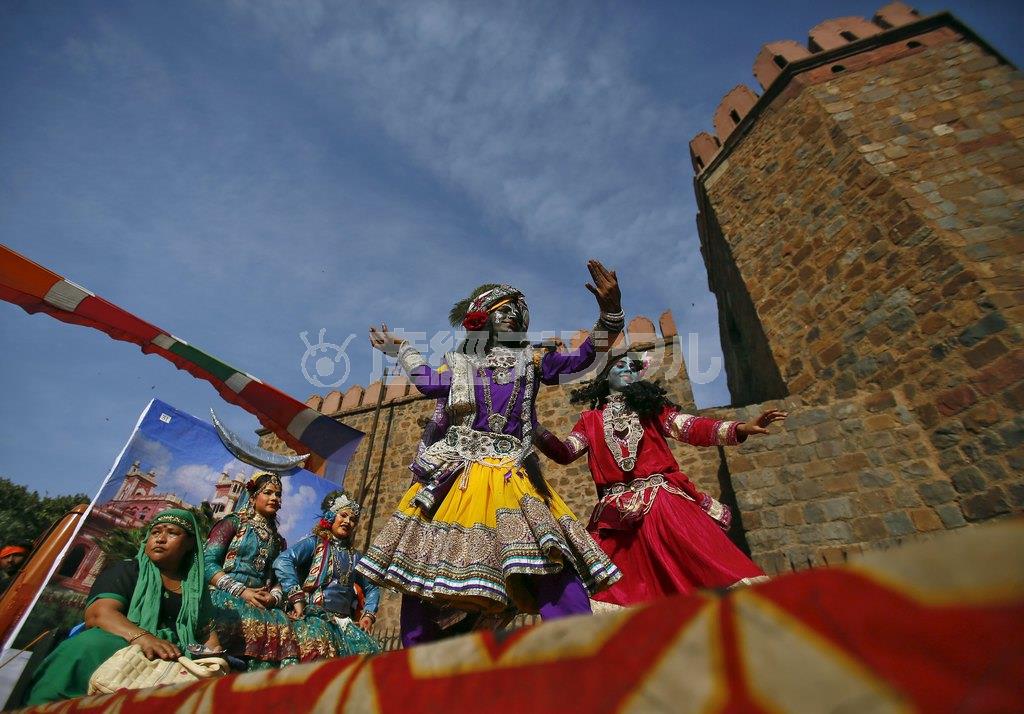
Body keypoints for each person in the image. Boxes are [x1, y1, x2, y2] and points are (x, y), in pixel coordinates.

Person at [359, 260, 625, 646]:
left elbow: (582, 359)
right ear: (481, 319)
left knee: (550, 561)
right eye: (502, 310)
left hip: (513, 477)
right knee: (424, 573)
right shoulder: (462, 362)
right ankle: (421, 672)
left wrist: (610, 314)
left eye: (518, 311)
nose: (512, 318)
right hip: (459, 477)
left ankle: (582, 652)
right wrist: (403, 350)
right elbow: (430, 384)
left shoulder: (533, 360)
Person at [535, 353, 786, 605]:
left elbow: (691, 427)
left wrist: (739, 428)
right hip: (616, 520)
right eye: (619, 365)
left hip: (664, 504)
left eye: (633, 368)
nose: (627, 371)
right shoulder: (589, 421)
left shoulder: (651, 409)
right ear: (604, 376)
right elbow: (565, 453)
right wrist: (534, 428)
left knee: (706, 565)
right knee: (613, 592)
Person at [24, 509, 217, 705]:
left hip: (175, 655)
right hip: (120, 640)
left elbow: (206, 633)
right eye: (156, 532)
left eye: (172, 533)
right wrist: (143, 637)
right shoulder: (127, 570)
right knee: (88, 645)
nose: (160, 539)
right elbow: (99, 613)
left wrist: (214, 660)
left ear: (190, 543)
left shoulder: (195, 589)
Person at [205, 472, 315, 669]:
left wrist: (273, 597)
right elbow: (208, 563)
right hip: (225, 596)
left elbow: (277, 581)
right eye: (268, 492)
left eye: (278, 494)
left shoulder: (279, 541)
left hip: (263, 604)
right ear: (253, 496)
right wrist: (242, 591)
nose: (274, 498)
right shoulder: (232, 523)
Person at [273, 491, 381, 658]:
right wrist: (296, 597)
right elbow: (283, 561)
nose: (348, 522)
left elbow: (372, 587)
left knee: (369, 658)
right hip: (314, 617)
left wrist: (368, 615)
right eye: (343, 515)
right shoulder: (314, 543)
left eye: (353, 520)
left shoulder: (355, 557)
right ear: (331, 517)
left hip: (344, 623)